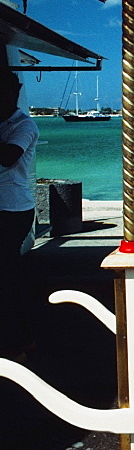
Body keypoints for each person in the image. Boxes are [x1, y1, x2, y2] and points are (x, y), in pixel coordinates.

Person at [0, 69, 39, 360]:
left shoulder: (24, 126)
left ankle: (18, 342)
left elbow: (9, 156)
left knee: (8, 279)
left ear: (14, 92)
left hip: (12, 209)